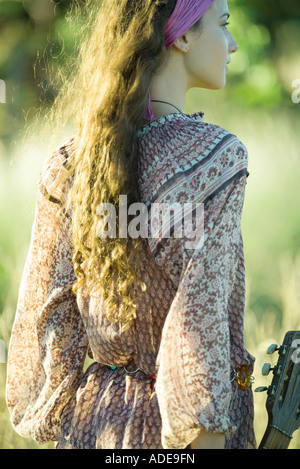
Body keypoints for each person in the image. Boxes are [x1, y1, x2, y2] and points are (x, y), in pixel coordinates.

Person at [6, 0, 256, 449]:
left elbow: (51, 321)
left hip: (92, 422)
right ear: (181, 37)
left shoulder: (72, 165)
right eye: (223, 25)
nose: (232, 43)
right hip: (178, 438)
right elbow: (197, 334)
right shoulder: (214, 163)